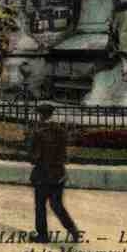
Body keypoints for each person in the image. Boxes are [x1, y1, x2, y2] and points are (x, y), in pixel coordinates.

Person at [28, 103, 80, 243]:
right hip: (58, 174)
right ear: (51, 114)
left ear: (40, 115)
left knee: (40, 206)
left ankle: (43, 235)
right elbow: (64, 154)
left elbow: (34, 156)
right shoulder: (61, 130)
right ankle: (73, 230)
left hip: (43, 175)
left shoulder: (39, 133)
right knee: (57, 205)